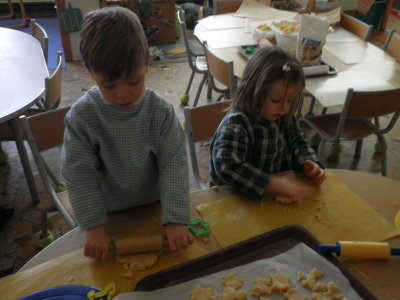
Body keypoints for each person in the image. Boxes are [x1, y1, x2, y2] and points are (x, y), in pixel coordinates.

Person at [61, 6, 194, 260]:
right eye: (108, 85)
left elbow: (173, 165)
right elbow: (80, 176)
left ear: (147, 63)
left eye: (134, 81)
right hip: (108, 216)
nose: (123, 94)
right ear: (90, 72)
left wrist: (175, 218)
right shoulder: (82, 118)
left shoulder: (160, 113)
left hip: (157, 207)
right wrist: (95, 226)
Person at [210, 47, 326, 202]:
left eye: (290, 100)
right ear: (253, 91)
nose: (284, 108)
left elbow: (298, 142)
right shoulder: (237, 124)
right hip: (235, 199)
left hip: (270, 198)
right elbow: (227, 166)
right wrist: (272, 184)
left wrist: (308, 162)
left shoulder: (284, 117)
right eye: (276, 101)